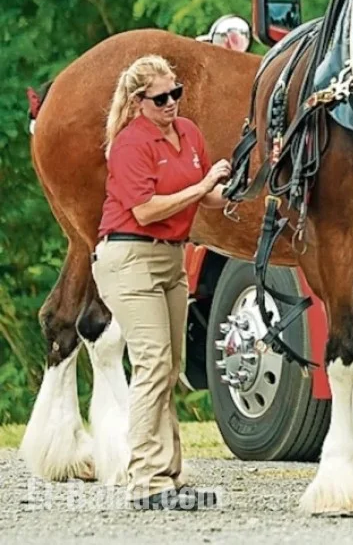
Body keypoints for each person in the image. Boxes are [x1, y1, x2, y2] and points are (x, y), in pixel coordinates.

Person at [93, 55, 231, 511]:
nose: (171, 103)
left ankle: (169, 476)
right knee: (152, 364)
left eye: (176, 93)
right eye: (161, 97)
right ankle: (145, 480)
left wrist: (237, 188)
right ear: (138, 102)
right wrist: (202, 186)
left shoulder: (188, 132)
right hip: (129, 256)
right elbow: (147, 210)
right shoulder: (131, 143)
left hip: (172, 257)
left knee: (170, 367)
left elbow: (207, 194)